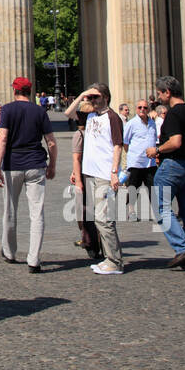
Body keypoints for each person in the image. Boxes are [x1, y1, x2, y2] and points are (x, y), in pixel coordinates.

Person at [0, 77, 57, 272]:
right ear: (30, 91)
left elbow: (3, 138)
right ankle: (34, 259)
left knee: (10, 210)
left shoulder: (7, 109)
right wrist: (52, 165)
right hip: (36, 165)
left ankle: (10, 252)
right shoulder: (40, 111)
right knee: (37, 213)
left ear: (14, 91)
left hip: (13, 165)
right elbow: (51, 142)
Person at [149, 76, 185, 270]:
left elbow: (175, 141)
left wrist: (157, 150)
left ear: (168, 92)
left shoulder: (173, 114)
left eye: (160, 93)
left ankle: (183, 247)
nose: (159, 97)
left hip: (173, 165)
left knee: (160, 206)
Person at [73, 84, 125, 275]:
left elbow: (118, 146)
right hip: (91, 174)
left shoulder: (113, 117)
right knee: (99, 219)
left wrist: (114, 172)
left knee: (105, 219)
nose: (92, 100)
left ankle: (115, 261)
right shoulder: (91, 116)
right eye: (91, 98)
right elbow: (69, 113)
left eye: (96, 97)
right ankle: (109, 258)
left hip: (104, 174)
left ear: (105, 97)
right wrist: (83, 95)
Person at [63, 94, 102, 260]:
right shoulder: (99, 131)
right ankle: (100, 243)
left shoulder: (81, 134)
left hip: (86, 176)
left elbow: (77, 158)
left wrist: (76, 177)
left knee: (85, 212)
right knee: (100, 211)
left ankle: (91, 243)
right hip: (99, 174)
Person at [123, 99, 158, 220]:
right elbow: (125, 142)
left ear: (148, 109)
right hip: (136, 162)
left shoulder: (152, 123)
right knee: (133, 187)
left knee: (153, 188)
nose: (142, 109)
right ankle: (131, 211)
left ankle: (156, 212)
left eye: (145, 107)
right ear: (136, 109)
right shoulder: (131, 124)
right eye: (140, 107)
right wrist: (133, 154)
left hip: (150, 162)